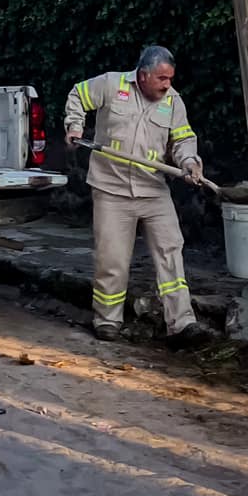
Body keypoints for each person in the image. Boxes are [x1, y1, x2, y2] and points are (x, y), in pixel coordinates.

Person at [64, 44, 206, 346]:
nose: (167, 85)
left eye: (170, 79)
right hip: (111, 189)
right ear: (143, 76)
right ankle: (107, 321)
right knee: (112, 259)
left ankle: (182, 324)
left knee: (171, 252)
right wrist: (75, 126)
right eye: (161, 79)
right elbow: (78, 94)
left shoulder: (173, 102)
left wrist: (189, 161)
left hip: (153, 190)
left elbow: (182, 139)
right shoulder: (111, 85)